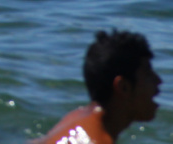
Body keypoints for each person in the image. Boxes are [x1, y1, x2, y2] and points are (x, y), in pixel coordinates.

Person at [34, 30, 162, 144]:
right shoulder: (96, 140)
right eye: (148, 74)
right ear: (123, 87)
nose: (158, 81)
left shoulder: (75, 118)